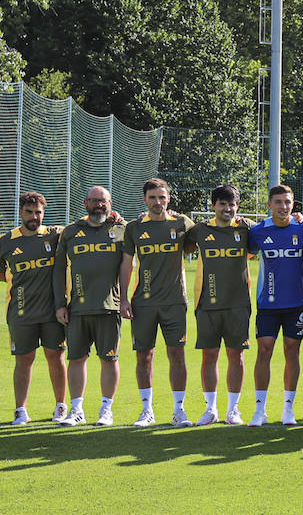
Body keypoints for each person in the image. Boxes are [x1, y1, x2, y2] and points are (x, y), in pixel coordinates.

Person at [119, 179, 196, 427]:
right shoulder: (134, 228)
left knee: (177, 354)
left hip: (175, 302)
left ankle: (179, 411)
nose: (157, 202)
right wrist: (123, 299)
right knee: (144, 356)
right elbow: (126, 265)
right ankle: (146, 411)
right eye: (152, 197)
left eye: (162, 197)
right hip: (143, 302)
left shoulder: (182, 223)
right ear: (145, 200)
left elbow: (210, 231)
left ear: (169, 199)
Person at [0, 192, 67, 425]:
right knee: (24, 359)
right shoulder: (5, 241)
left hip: (53, 312)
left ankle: (61, 406)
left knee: (56, 356)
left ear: (43, 213)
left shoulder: (55, 235)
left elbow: (87, 225)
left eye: (38, 213)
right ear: (20, 212)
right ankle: (21, 410)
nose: (34, 217)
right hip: (20, 312)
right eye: (29, 212)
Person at [52, 186, 124, 427]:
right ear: (85, 204)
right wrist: (60, 304)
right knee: (76, 359)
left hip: (110, 307)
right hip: (77, 308)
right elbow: (59, 270)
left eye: (103, 201)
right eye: (94, 201)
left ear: (111, 203)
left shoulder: (119, 229)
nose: (99, 205)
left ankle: (106, 410)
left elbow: (132, 260)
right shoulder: (71, 232)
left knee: (110, 359)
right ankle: (77, 410)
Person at [247, 184, 303, 426]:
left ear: (293, 204)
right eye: (278, 202)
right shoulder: (258, 231)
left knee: (291, 351)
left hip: (296, 303)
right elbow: (243, 251)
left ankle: (288, 409)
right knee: (264, 350)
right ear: (269, 205)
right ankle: (259, 409)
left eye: (287, 202)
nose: (283, 207)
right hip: (268, 303)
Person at [188, 185, 253, 426]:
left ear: (238, 206)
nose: (227, 208)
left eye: (232, 204)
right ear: (214, 205)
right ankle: (211, 409)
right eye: (222, 204)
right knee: (209, 356)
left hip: (238, 304)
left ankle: (233, 410)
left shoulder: (247, 229)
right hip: (207, 303)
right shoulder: (200, 230)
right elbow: (173, 229)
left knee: (236, 356)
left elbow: (273, 230)